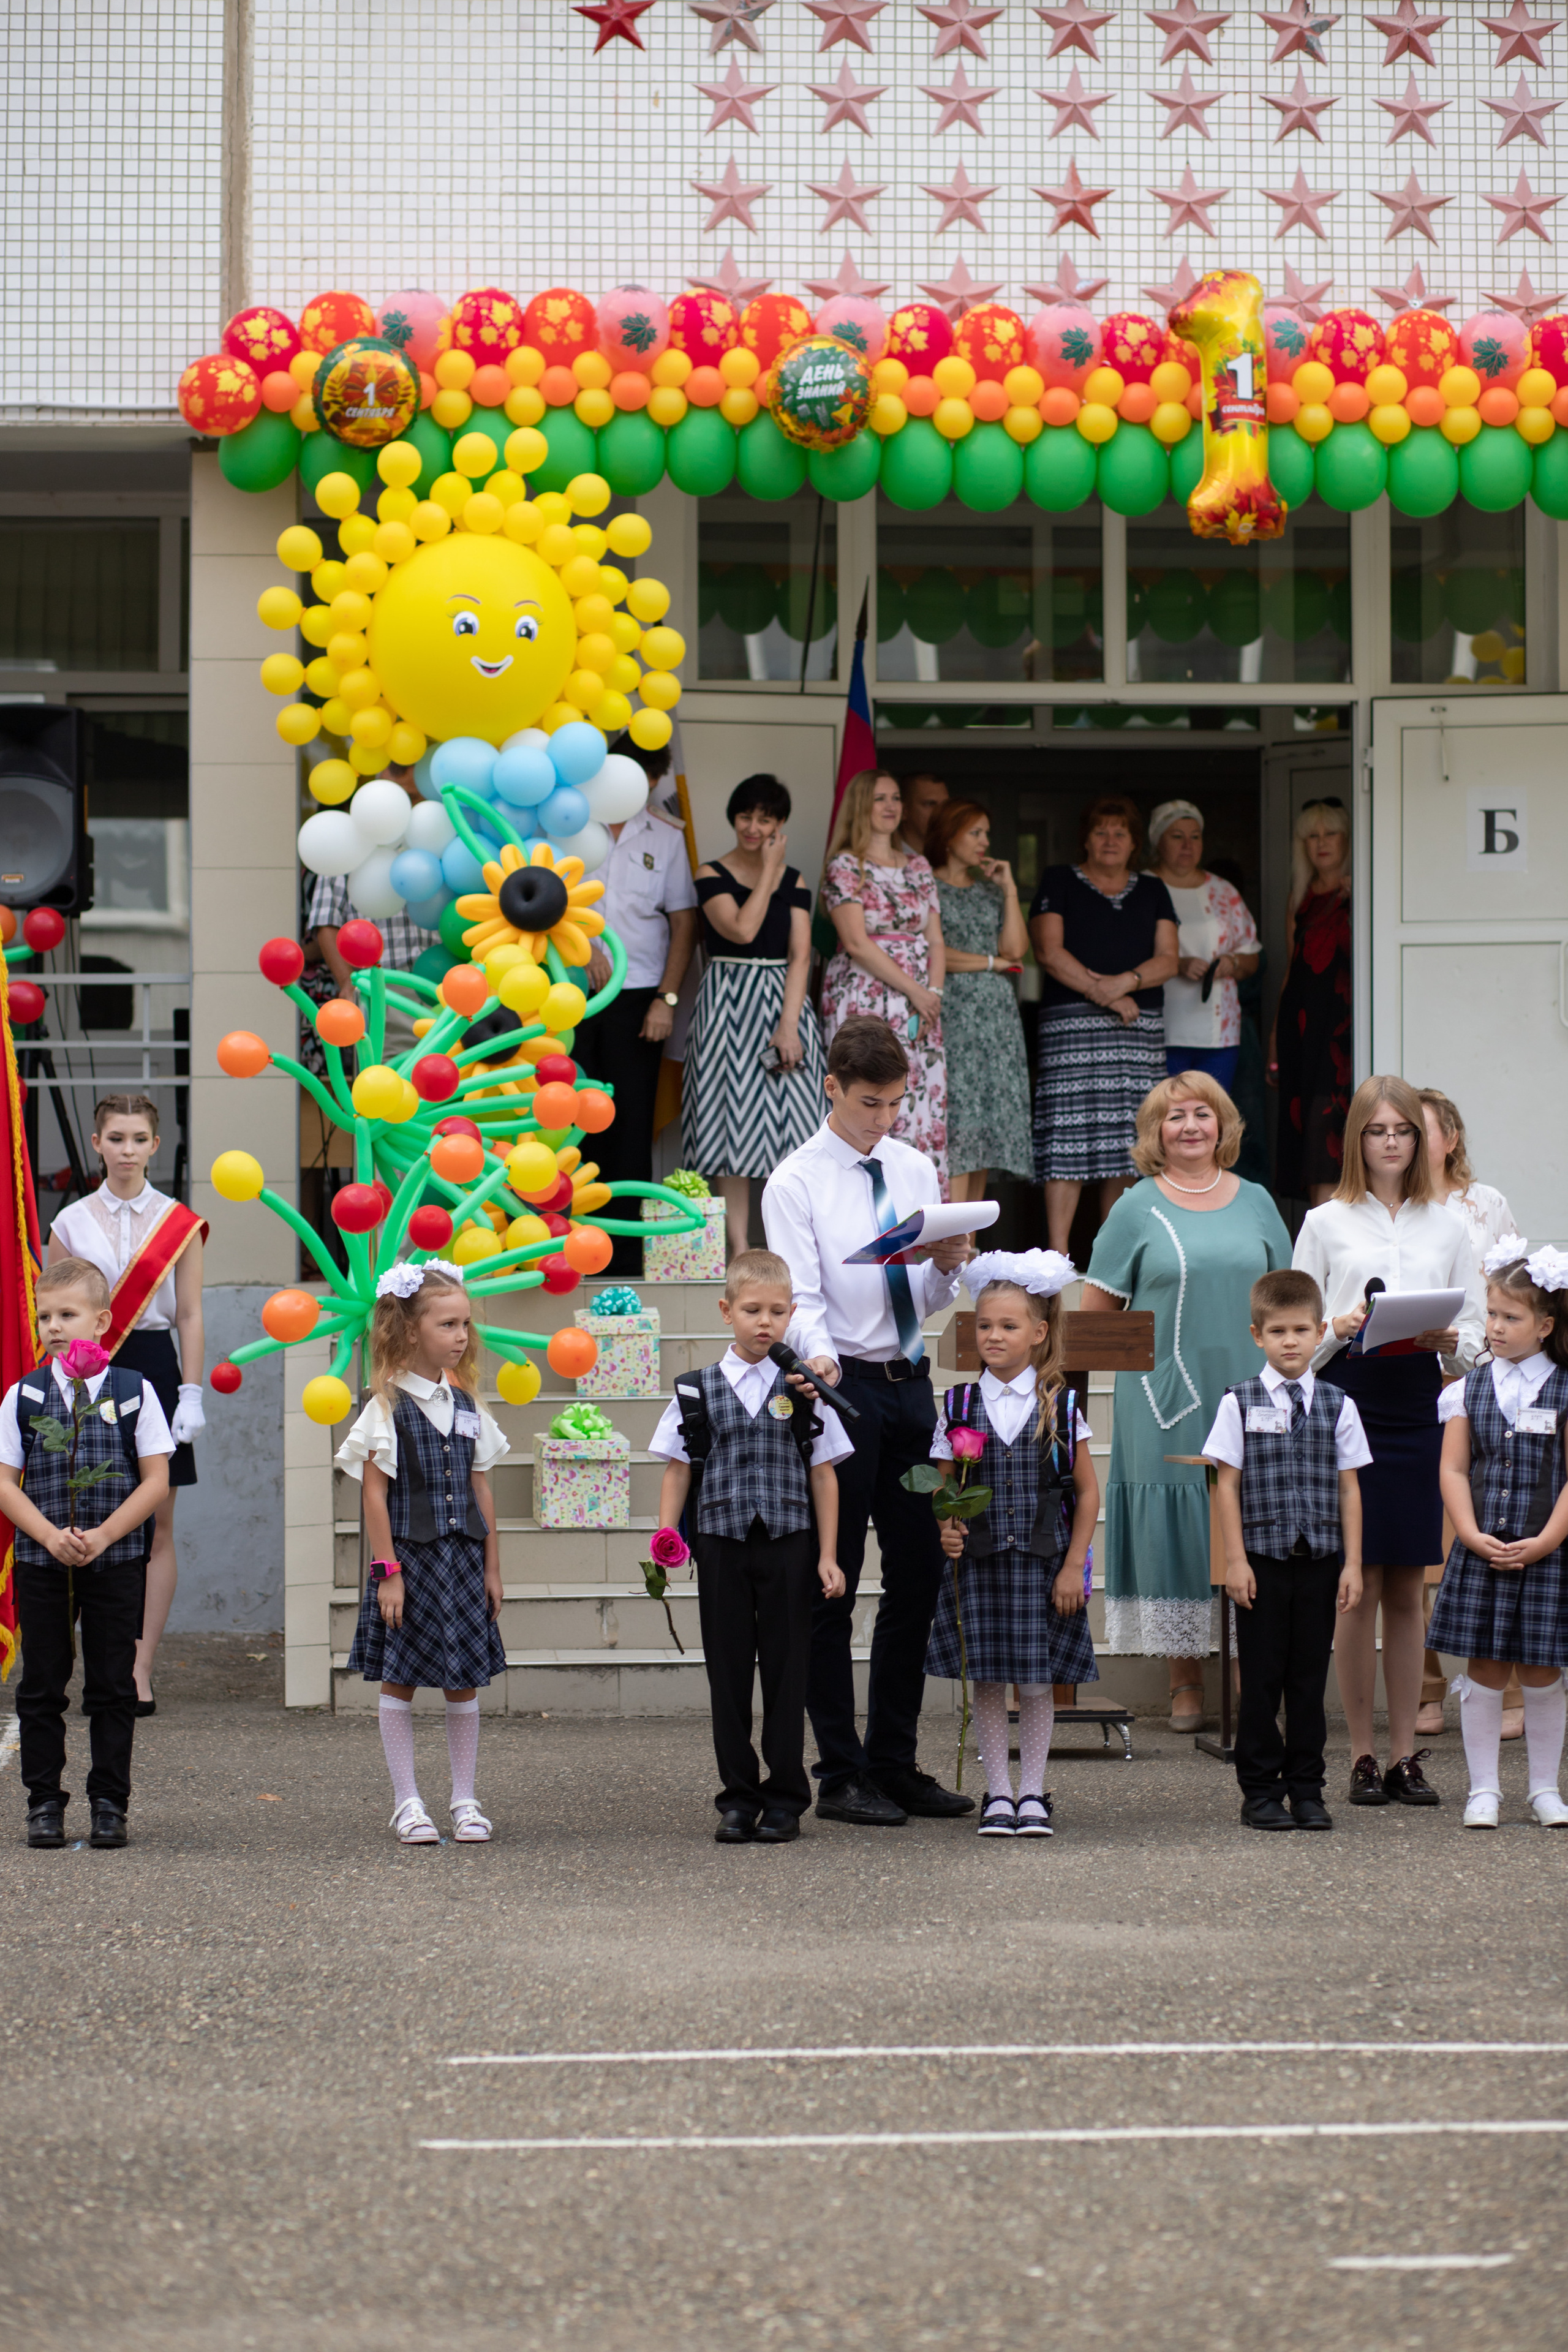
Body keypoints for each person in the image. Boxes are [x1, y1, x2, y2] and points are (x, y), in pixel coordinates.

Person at [762, 1016, 973, 1827]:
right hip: (840, 1392)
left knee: (919, 1571)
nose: (884, 1119)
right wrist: (814, 1359)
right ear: (833, 1088)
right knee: (833, 1577)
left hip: (911, 1389)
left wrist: (948, 1273)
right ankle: (839, 1771)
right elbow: (801, 1297)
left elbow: (921, 1294)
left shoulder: (915, 1166)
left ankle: (895, 1761)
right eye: (869, 1103)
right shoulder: (797, 1181)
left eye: (894, 1103)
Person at [1293, 1075, 1485, 1809]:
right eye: (1377, 1131)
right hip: (1349, 1402)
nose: (1391, 1143)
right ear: (1356, 1141)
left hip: (1417, 1403)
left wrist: (1450, 1342)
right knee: (1357, 1585)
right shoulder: (1325, 1221)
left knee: (1408, 1586)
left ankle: (1407, 1755)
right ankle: (1363, 1755)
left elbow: (1476, 1339)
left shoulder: (1451, 1225)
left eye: (1402, 1130)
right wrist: (1335, 1327)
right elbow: (1292, 1332)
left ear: (1420, 1139)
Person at [1080, 1072, 1291, 1728]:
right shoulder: (1134, 1206)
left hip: (1252, 1391)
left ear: (1223, 1124)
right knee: (1177, 1526)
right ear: (1154, 1134)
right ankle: (1183, 1682)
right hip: (1162, 1397)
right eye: (1175, 1118)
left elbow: (1290, 1297)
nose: (1191, 1126)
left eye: (1203, 1113)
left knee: (1247, 1523)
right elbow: (1095, 1318)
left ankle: (1245, 1674)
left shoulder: (1257, 1200)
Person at [649, 1248, 852, 1844]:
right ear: (727, 1311)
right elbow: (677, 1469)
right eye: (752, 1310)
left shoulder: (803, 1390)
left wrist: (828, 1554)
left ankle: (786, 1798)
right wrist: (667, 1535)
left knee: (789, 1674)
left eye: (777, 1312)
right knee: (729, 1673)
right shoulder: (695, 1391)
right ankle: (737, 1797)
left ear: (791, 1315)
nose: (765, 1322)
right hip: (720, 1544)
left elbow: (824, 1473)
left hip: (789, 1544)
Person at [0, 1258, 173, 1849]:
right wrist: (48, 1535)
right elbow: (4, 1482)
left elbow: (155, 1481)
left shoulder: (134, 1392)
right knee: (43, 1682)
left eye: (67, 1314)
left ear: (101, 1322)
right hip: (42, 1563)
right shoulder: (22, 1396)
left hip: (116, 1562)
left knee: (111, 1683)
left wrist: (103, 1536)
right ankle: (44, 1802)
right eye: (44, 1315)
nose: (53, 1326)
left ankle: (109, 1803)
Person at [929, 1251, 1099, 1840]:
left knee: (1035, 1681)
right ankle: (997, 1792)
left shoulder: (1062, 1405)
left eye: (1007, 1326)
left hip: (1043, 1564)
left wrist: (1074, 1564)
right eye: (983, 1325)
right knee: (991, 1681)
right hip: (979, 1566)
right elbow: (944, 1487)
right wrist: (947, 1526)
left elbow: (1087, 1494)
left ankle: (1033, 1792)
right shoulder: (956, 1407)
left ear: (1038, 1332)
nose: (994, 1336)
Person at [336, 1264, 508, 1845]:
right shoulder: (384, 1406)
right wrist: (388, 1574)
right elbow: (374, 1496)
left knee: (464, 1683)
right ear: (411, 1332)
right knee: (400, 1680)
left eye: (465, 1324)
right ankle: (407, 1802)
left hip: (462, 1564)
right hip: (408, 1564)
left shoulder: (465, 1404)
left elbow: (481, 1488)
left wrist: (492, 1566)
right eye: (448, 1324)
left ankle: (465, 1798)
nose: (462, 1335)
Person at [48, 1094, 206, 1716]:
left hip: (156, 1368)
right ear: (97, 1144)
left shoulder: (180, 1221)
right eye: (116, 1138)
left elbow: (189, 1314)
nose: (128, 1150)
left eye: (139, 1138)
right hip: (86, 1372)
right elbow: (53, 1314)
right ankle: (89, 1663)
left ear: (155, 1145)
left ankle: (139, 1667)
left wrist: (189, 1390)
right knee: (79, 1512)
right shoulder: (71, 1224)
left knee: (157, 1526)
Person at [1204, 1268, 1370, 1833]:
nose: (1291, 1342)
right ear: (1258, 1335)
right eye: (1278, 1332)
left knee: (1306, 1680)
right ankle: (1260, 1791)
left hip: (1321, 1562)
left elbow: (1350, 1487)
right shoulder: (1239, 1402)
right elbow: (1226, 1484)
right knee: (1262, 1676)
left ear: (1321, 1330)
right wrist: (1234, 1560)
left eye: (1302, 1330)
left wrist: (1351, 1563)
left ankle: (1307, 1788)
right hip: (1261, 1564)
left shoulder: (1338, 1404)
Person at [1431, 1243, 1568, 1830]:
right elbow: (1454, 1469)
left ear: (1545, 1325)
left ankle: (1544, 1788)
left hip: (1548, 1553)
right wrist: (1469, 1534)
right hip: (1483, 1549)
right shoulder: (1469, 1388)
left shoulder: (1565, 1389)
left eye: (1510, 1318)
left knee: (1541, 1669)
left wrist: (1545, 1543)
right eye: (1491, 1314)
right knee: (1485, 1666)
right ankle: (1483, 1789)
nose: (1496, 1327)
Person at [682, 774, 826, 1259]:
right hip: (727, 1002)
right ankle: (740, 1246)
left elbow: (801, 954)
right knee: (730, 1122)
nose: (753, 826)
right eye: (746, 816)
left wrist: (789, 1024)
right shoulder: (710, 873)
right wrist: (768, 870)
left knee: (795, 1122)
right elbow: (742, 930)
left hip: (784, 999)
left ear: (780, 824)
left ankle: (789, 1244)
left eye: (765, 818)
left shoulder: (797, 881)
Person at [1028, 796, 1180, 1255]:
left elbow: (1169, 959)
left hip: (1137, 1032)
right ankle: (1057, 1255)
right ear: (1086, 840)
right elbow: (1048, 953)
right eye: (1101, 831)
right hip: (1072, 1029)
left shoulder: (1153, 889)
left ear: (1135, 843)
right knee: (1067, 1142)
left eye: (1120, 832)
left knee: (1126, 1143)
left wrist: (1124, 985)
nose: (1110, 840)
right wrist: (1109, 995)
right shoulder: (1059, 880)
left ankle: (1109, 1255)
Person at [1417, 1086, 1523, 1740]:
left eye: (1419, 1130)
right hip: (1408, 1391)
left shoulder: (1486, 1205)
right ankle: (1427, 1688)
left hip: (1483, 1385)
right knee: (1417, 1544)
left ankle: (1510, 1688)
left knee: (1496, 1528)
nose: (1400, 1142)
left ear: (1450, 1138)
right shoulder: (1384, 1212)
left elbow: (1514, 1294)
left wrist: (1472, 1342)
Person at [576, 766, 699, 1272]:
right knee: (573, 1122)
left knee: (629, 1126)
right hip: (573, 995)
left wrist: (666, 1000)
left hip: (640, 998)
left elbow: (682, 920)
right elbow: (546, 901)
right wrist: (582, 951)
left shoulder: (668, 837)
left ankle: (623, 1257)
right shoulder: (570, 825)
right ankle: (572, 1248)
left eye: (650, 776)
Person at [820, 768, 949, 1189]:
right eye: (880, 799)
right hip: (868, 993)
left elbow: (935, 940)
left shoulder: (919, 865)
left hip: (921, 1003)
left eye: (896, 798)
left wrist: (933, 993)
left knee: (917, 1100)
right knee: (867, 1088)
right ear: (861, 805)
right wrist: (915, 991)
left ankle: (920, 1213)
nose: (891, 807)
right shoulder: (845, 865)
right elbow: (856, 941)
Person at [925, 799, 1033, 1203]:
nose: (985, 841)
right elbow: (932, 953)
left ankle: (969, 1245)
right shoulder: (927, 886)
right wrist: (991, 963)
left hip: (997, 1017)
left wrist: (1009, 890)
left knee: (986, 1126)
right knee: (961, 1125)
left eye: (986, 832)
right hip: (952, 1013)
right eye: (975, 832)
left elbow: (1016, 949)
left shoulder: (990, 891)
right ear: (948, 836)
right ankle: (954, 1245)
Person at [1146, 799, 1261, 1097]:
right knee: (1163, 1118)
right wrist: (1176, 963)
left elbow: (1252, 959)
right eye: (1177, 836)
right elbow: (1121, 953)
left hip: (1217, 1035)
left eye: (1195, 836)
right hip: (1157, 1031)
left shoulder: (1223, 891)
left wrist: (1233, 962)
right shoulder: (1141, 887)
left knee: (1212, 1116)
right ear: (1158, 841)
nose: (1187, 845)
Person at [1268, 798, 1352, 1205]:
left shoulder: (1363, 891)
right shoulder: (1298, 898)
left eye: (1330, 833)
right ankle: (1321, 1242)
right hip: (1302, 1030)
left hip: (1347, 1029)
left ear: (1347, 839)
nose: (1321, 843)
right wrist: (1273, 1040)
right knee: (1311, 1135)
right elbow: (1291, 972)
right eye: (1312, 836)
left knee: (1338, 1127)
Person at [896, 771, 949, 858]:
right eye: (930, 804)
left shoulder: (951, 857)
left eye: (945, 804)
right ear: (903, 811)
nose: (941, 811)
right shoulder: (886, 860)